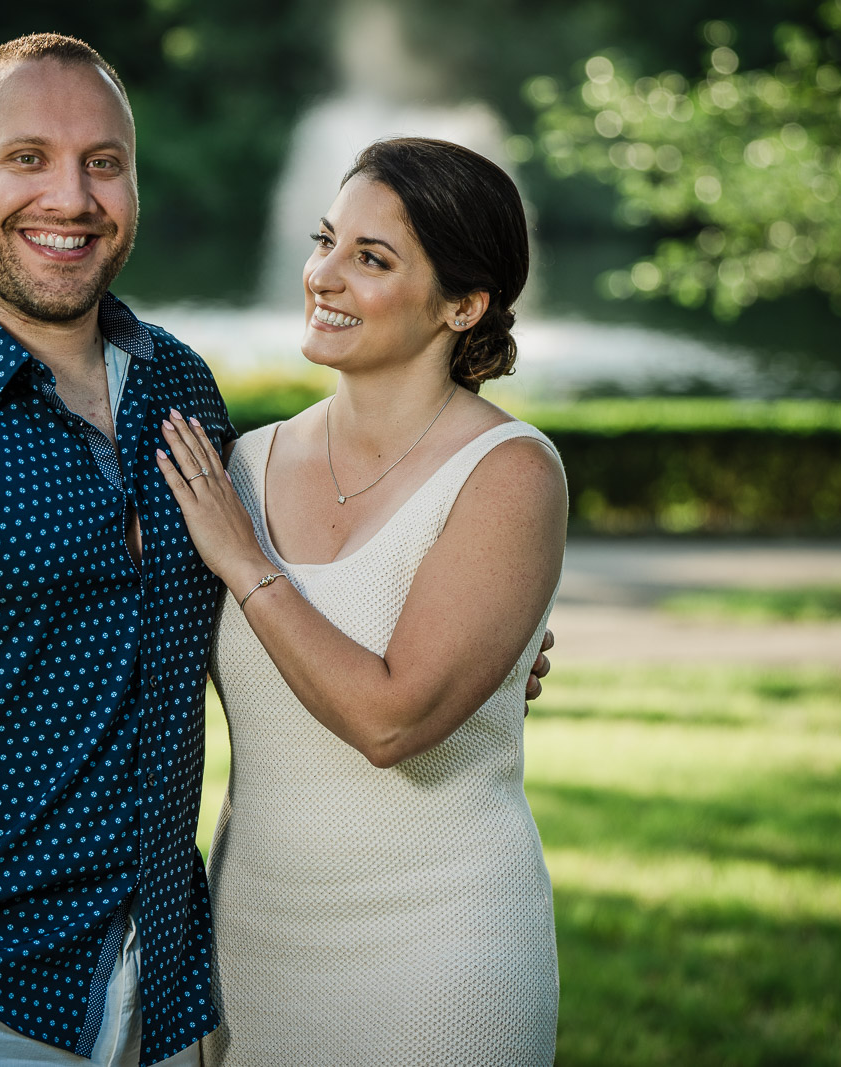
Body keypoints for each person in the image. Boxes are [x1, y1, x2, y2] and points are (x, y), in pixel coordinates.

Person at [0, 32, 553, 1065]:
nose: (70, 198)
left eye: (103, 162)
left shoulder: (180, 394)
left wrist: (488, 628)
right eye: (26, 158)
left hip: (177, 997)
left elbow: (311, 591)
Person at [155, 138, 565, 1065]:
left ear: (464, 305)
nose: (322, 277)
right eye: (326, 240)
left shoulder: (508, 473)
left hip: (445, 942)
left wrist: (243, 558)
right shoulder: (240, 466)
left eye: (371, 260)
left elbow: (391, 722)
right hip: (252, 942)